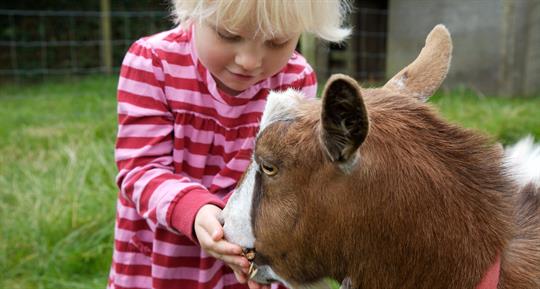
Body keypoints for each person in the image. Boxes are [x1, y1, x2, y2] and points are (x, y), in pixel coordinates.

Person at [107, 1, 350, 289]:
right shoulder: (153, 62)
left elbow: (291, 177)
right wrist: (193, 210)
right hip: (165, 261)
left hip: (246, 255)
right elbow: (141, 169)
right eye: (229, 35)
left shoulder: (294, 79)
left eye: (277, 41)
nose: (250, 60)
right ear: (196, 12)